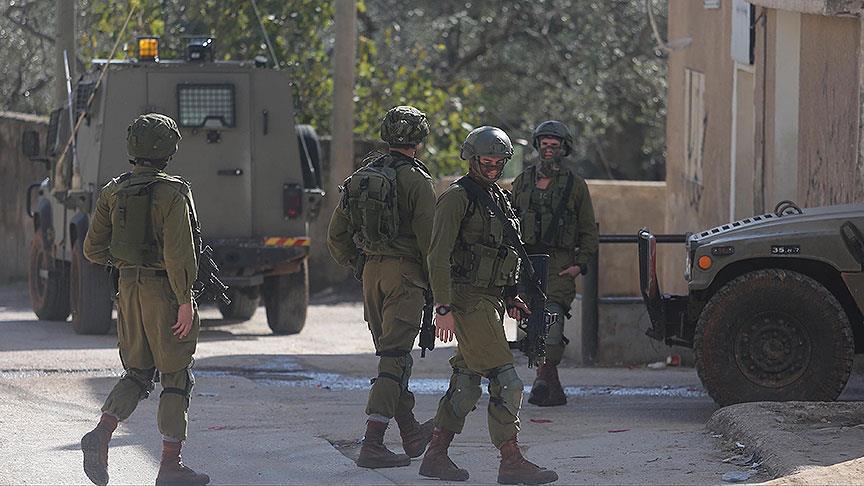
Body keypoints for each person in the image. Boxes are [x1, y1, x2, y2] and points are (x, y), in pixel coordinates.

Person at [420, 126, 559, 484]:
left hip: (491, 300)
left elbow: (503, 250)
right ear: (472, 159)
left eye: (499, 163)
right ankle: (511, 460)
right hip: (468, 300)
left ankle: (435, 455)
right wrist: (443, 307)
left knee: (466, 381)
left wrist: (511, 294)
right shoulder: (457, 198)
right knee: (507, 381)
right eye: (487, 162)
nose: (493, 168)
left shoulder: (497, 196)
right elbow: (438, 256)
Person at [81, 113, 209, 486]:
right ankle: (170, 465)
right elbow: (179, 253)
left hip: (128, 289)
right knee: (175, 375)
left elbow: (92, 249)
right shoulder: (174, 192)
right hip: (164, 292)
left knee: (137, 372)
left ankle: (102, 431)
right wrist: (184, 299)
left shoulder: (113, 190)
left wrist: (126, 262)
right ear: (168, 150)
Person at [327, 105, 437, 468]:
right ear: (419, 140)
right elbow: (430, 244)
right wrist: (441, 291)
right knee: (395, 357)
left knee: (391, 357)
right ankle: (372, 443)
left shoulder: (362, 177)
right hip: (405, 277)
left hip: (372, 275)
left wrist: (361, 266)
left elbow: (336, 237)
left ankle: (410, 432)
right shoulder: (417, 180)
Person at [511, 120, 599, 407]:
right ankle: (550, 384)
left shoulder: (575, 186)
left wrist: (579, 264)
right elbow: (509, 221)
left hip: (559, 265)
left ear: (564, 148)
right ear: (537, 146)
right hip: (527, 264)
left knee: (552, 322)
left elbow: (588, 231)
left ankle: (543, 379)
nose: (549, 149)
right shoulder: (523, 181)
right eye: (544, 144)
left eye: (555, 145)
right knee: (532, 325)